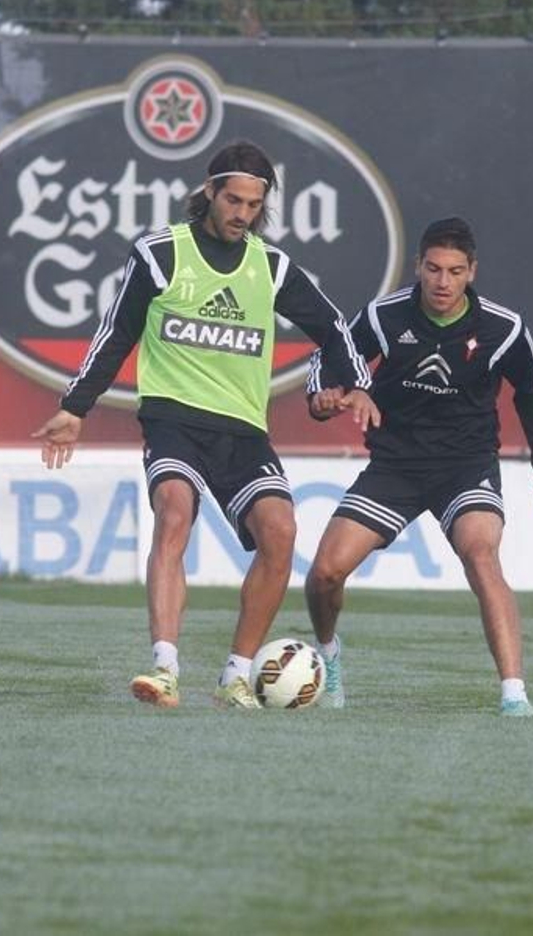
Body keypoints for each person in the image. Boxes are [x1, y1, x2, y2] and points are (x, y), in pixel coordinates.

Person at [33, 139, 379, 709]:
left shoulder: (271, 267)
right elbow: (117, 332)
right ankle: (165, 667)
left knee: (280, 533)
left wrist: (358, 383)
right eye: (233, 200)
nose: (242, 214)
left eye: (254, 205)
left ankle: (235, 676)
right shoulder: (161, 253)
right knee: (174, 512)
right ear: (210, 192)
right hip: (173, 420)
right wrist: (75, 407)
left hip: (242, 429)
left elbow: (333, 326)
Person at [304, 216, 533, 717]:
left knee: (481, 554)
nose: (442, 282)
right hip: (395, 467)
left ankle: (515, 695)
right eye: (433, 269)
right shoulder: (385, 316)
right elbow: (330, 359)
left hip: (465, 467)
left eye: (454, 271)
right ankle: (329, 658)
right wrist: (324, 397)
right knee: (324, 574)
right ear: (418, 267)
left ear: (472, 272)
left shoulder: (502, 327)